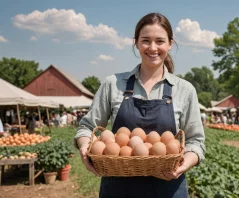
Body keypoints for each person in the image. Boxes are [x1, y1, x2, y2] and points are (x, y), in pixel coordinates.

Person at [74, 13, 205, 198]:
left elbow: (196, 141)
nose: (153, 48)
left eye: (160, 41)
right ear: (136, 43)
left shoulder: (184, 89)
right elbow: (87, 127)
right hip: (119, 188)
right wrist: (85, 147)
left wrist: (184, 164)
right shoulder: (113, 84)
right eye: (146, 40)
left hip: (168, 188)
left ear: (170, 43)